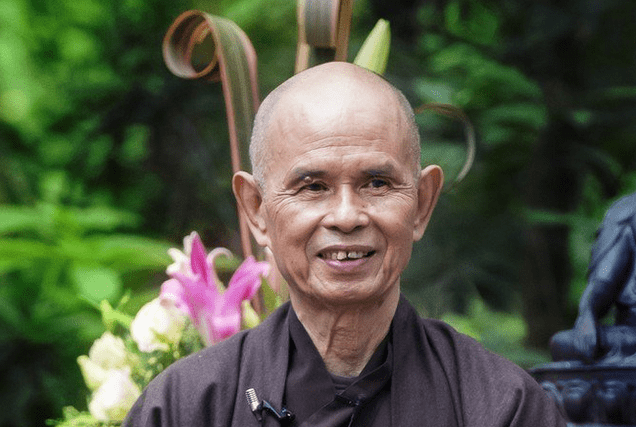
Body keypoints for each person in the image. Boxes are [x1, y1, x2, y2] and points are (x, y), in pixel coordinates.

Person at [123, 62, 566, 426]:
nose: (347, 216)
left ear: (422, 204)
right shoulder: (188, 406)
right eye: (312, 186)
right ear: (256, 209)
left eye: (377, 182)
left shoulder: (501, 407)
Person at [550, 191, 636, 363]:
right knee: (565, 343)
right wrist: (587, 316)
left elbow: (605, 280)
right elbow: (604, 280)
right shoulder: (628, 209)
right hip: (631, 334)